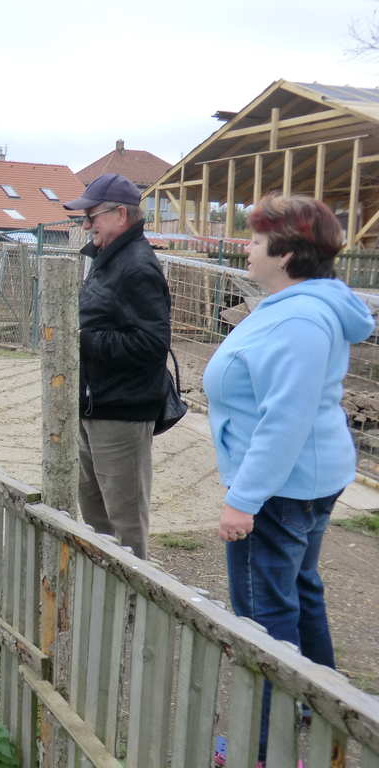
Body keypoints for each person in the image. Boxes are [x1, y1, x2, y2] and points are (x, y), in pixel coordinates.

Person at [203, 194, 374, 762]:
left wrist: (243, 499)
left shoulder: (300, 317)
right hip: (304, 479)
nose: (246, 249)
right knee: (300, 590)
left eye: (254, 241)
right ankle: (319, 702)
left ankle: (266, 744)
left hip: (281, 488)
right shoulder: (296, 302)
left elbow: (287, 417)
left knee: (263, 614)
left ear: (287, 252)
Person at [63, 173, 171, 559]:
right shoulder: (108, 259)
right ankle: (101, 603)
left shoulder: (137, 266)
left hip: (122, 411)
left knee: (123, 525)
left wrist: (79, 338)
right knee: (95, 520)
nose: (86, 224)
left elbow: (152, 344)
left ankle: (129, 609)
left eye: (91, 215)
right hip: (95, 403)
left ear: (120, 214)